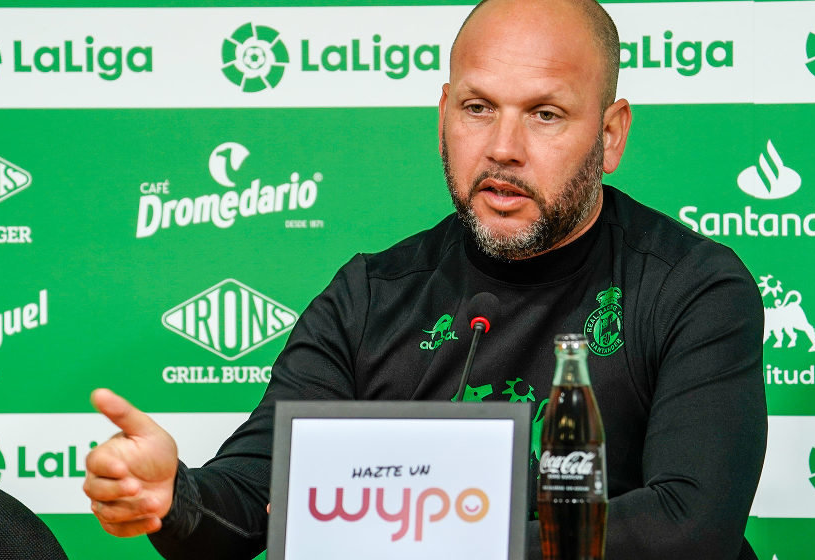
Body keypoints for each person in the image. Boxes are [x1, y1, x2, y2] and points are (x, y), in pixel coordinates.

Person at [83, 0, 767, 558]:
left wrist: (443, 541)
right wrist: (174, 499)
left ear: (611, 135)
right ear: (443, 114)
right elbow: (260, 495)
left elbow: (690, 524)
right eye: (478, 108)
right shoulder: (371, 295)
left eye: (545, 114)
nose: (503, 146)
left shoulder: (693, 288)